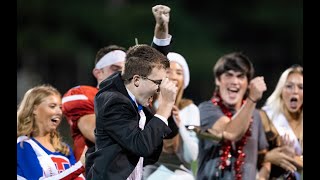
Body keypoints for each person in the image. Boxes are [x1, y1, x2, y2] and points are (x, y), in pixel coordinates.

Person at [61, 4, 173, 165]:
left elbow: (152, 67)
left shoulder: (130, 96)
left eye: (124, 69)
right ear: (98, 72)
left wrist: (161, 29)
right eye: (116, 69)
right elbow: (104, 132)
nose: (123, 75)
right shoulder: (93, 96)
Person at [85, 44, 178, 180]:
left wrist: (166, 108)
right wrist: (165, 105)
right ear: (136, 80)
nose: (160, 89)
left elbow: (172, 131)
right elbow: (142, 146)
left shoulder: (135, 97)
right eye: (158, 82)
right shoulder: (114, 101)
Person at [197, 52, 269, 180]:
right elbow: (230, 132)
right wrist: (252, 99)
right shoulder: (206, 109)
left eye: (240, 77)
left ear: (248, 84)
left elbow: (263, 157)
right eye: (229, 75)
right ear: (218, 80)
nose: (235, 81)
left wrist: (263, 176)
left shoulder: (256, 116)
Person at [143, 52, 200, 180]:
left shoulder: (190, 109)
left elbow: (191, 157)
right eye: (168, 71)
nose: (173, 76)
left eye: (179, 73)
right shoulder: (147, 106)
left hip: (181, 174)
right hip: (148, 173)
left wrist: (180, 127)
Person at [17, 84, 86, 180]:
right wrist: (80, 166)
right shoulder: (22, 146)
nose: (59, 112)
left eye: (61, 108)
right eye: (52, 106)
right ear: (34, 109)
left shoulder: (64, 149)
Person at [260, 64, 303, 179]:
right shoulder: (265, 116)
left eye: (301, 87)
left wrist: (291, 157)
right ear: (281, 90)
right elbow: (249, 153)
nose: (295, 91)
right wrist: (269, 156)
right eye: (289, 86)